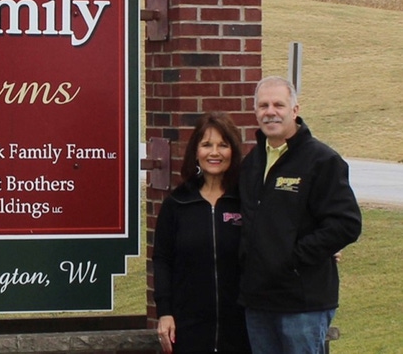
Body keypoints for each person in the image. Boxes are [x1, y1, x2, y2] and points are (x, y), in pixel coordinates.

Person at [239, 76, 362, 354]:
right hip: (258, 302)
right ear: (255, 111)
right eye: (263, 105)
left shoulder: (322, 161)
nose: (270, 111)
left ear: (295, 110)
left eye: (279, 104)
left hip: (303, 304)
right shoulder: (252, 163)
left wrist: (294, 257)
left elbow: (346, 224)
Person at [153, 112, 252, 354]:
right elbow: (162, 261)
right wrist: (165, 312)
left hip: (243, 328)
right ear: (196, 151)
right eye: (207, 145)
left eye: (223, 145)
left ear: (233, 152)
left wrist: (325, 248)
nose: (214, 153)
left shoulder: (246, 200)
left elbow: (281, 228)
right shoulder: (177, 203)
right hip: (189, 329)